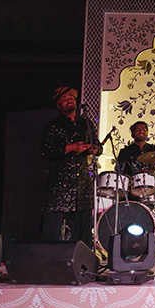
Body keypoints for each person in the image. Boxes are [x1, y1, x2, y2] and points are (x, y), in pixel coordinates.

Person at [40, 86, 101, 244]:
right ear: (59, 106)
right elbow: (45, 151)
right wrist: (70, 148)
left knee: (83, 228)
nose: (69, 101)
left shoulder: (85, 123)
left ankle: (83, 263)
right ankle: (47, 262)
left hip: (82, 184)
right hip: (59, 183)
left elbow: (98, 146)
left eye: (71, 98)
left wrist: (93, 149)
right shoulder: (53, 125)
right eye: (65, 99)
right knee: (52, 227)